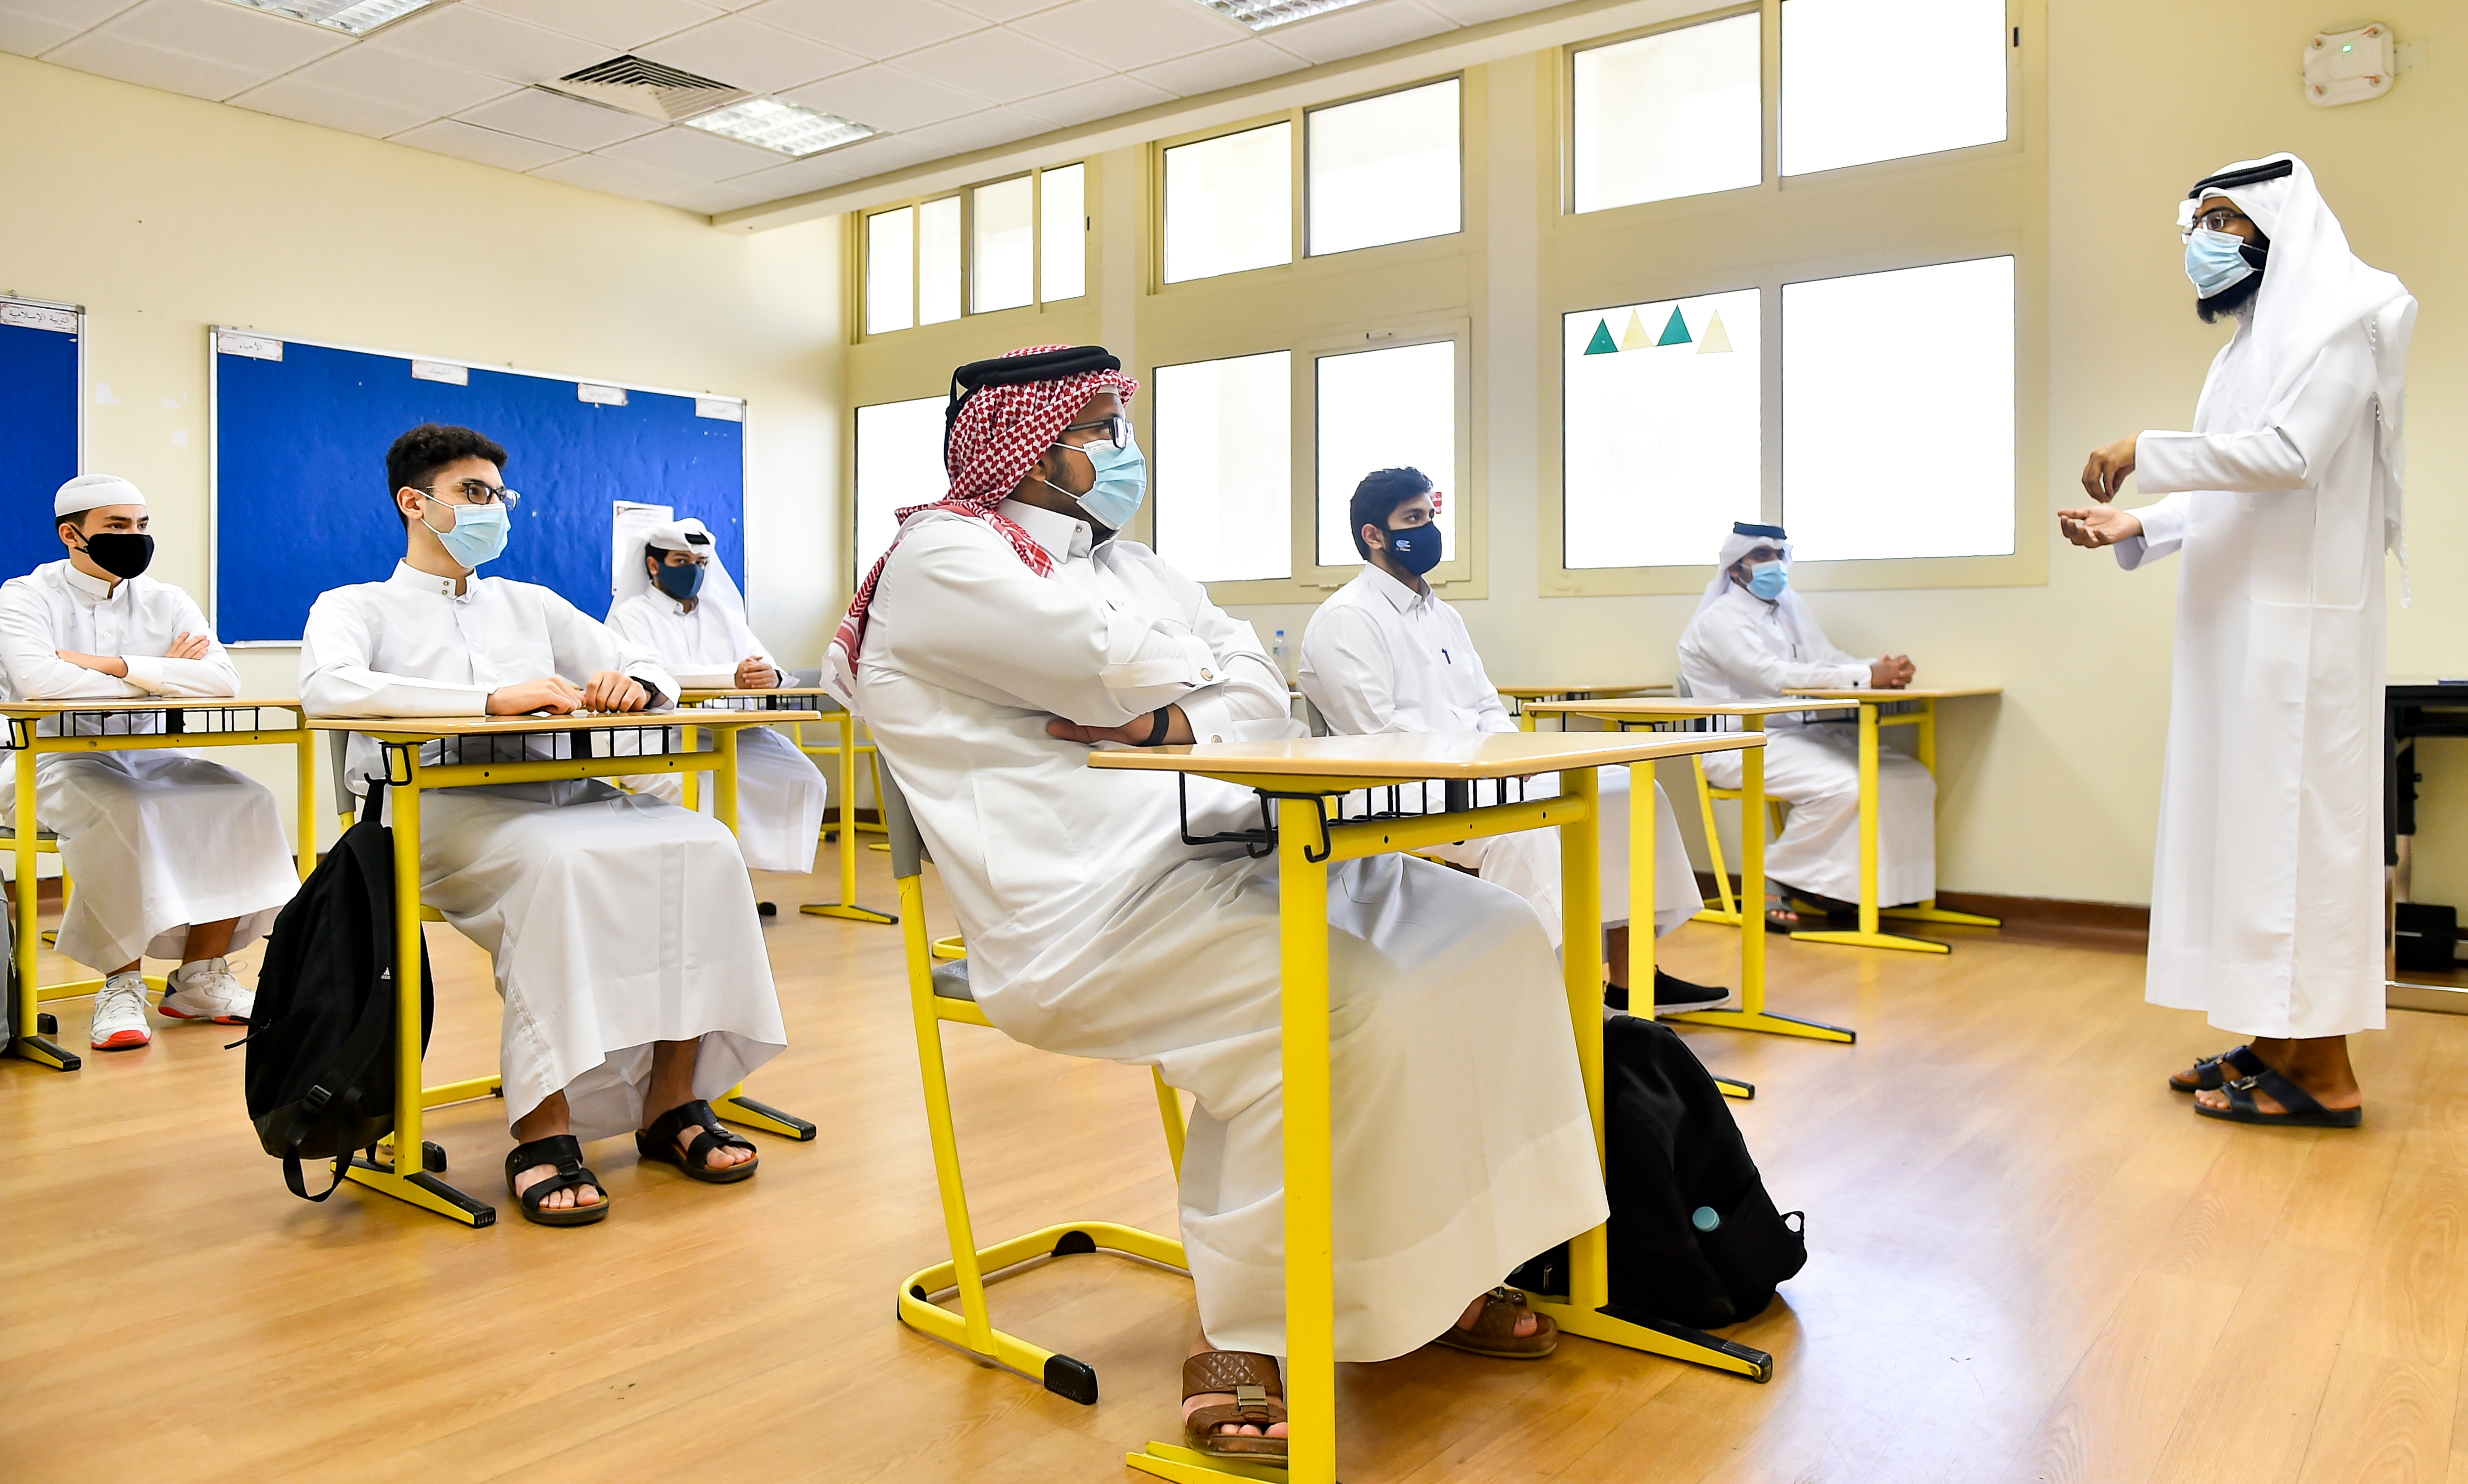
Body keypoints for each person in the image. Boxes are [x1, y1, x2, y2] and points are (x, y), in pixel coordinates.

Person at [832, 346, 1606, 1465]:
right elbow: (1105, 663)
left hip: (1237, 851)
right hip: (1084, 911)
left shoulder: (1135, 563)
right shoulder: (941, 554)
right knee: (1343, 998)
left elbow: (1251, 683)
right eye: (1098, 422)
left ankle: (1430, 1272)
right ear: (1020, 439)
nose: (1121, 447)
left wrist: (1166, 716)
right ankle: (1240, 1323)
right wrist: (1179, 681)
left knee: (1496, 934)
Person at [299, 424, 787, 1226]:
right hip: (440, 813)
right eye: (476, 493)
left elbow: (646, 663)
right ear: (414, 504)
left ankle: (671, 1102)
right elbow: (330, 691)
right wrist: (488, 701)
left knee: (704, 844)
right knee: (560, 864)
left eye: (500, 495)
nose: (496, 509)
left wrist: (632, 684)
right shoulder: (356, 607)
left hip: (563, 795)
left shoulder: (532, 603)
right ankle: (543, 1126)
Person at [2058, 154, 2412, 1128]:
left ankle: (2326, 1073)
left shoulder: (2342, 321)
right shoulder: (2250, 344)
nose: (2201, 244)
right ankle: (2270, 1037)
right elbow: (2232, 480)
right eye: (2195, 226)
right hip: (2240, 633)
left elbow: (2290, 458)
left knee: (2296, 843)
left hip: (2300, 646)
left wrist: (2145, 448)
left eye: (2220, 221)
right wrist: (2144, 524)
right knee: (2249, 841)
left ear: (2274, 226)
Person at [1297, 465, 1725, 1009]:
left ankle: (1630, 980)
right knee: (1526, 834)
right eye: (1412, 518)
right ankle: (1550, 1008)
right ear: (1373, 535)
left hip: (1481, 770)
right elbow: (1380, 735)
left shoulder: (1443, 615)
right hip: (1402, 786)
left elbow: (1485, 703)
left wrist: (1510, 752)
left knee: (1627, 792)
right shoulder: (1346, 619)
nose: (1428, 528)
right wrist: (1488, 762)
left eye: (1430, 515)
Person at [0, 474, 299, 1050]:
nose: (133, 537)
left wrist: (108, 665)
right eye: (116, 527)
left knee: (245, 800)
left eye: (140, 525)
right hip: (47, 760)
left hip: (151, 755)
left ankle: (199, 978)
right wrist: (159, 671)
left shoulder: (167, 599)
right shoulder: (25, 596)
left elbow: (220, 681)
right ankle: (121, 984)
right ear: (71, 534)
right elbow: (40, 683)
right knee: (128, 810)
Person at [1676, 521, 1930, 930]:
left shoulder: (1791, 608)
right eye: (1762, 556)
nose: (1775, 564)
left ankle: (1835, 889)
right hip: (1742, 743)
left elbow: (1829, 659)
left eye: (1779, 555)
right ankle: (1769, 875)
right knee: (1847, 785)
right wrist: (1866, 678)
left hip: (1797, 737)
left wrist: (1879, 670)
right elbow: (1774, 677)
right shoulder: (1720, 619)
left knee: (1909, 776)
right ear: (1736, 568)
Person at [604, 515, 827, 875]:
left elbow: (763, 662)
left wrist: (770, 676)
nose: (693, 571)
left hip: (727, 734)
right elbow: (655, 676)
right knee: (701, 791)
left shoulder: (721, 614)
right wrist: (731, 676)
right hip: (659, 738)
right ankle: (712, 884)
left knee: (805, 778)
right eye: (681, 562)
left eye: (700, 563)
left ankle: (736, 879)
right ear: (653, 564)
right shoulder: (631, 616)